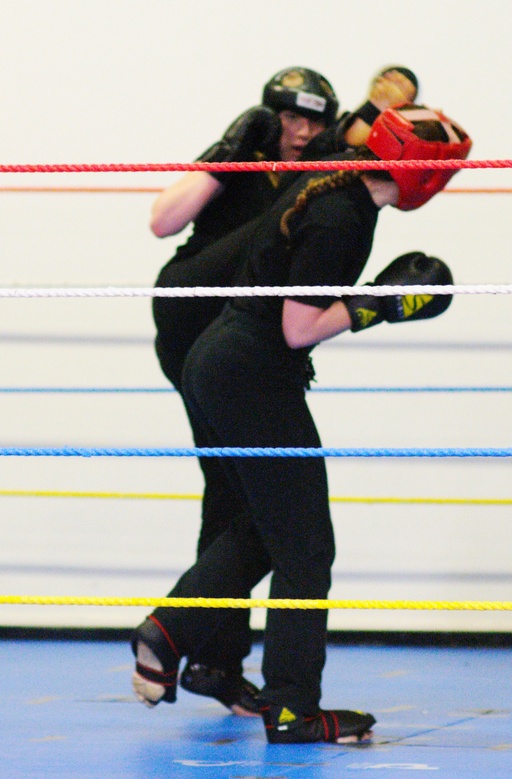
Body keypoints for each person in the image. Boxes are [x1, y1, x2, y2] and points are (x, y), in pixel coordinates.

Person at [131, 104, 472, 744]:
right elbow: (299, 327)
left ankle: (172, 629)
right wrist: (379, 305)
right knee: (308, 547)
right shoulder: (344, 216)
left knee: (272, 528)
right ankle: (291, 710)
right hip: (252, 373)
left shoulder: (336, 178)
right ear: (425, 177)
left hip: (222, 360)